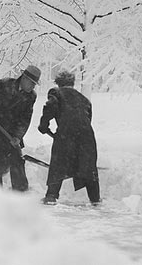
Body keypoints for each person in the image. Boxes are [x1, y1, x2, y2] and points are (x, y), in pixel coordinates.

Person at [38, 70, 101, 205]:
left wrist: (43, 125)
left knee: (58, 164)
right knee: (88, 167)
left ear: (58, 84)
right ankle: (95, 199)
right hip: (87, 136)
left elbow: (50, 106)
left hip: (66, 135)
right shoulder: (84, 99)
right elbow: (87, 117)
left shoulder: (56, 93)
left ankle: (51, 196)